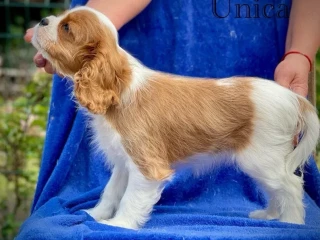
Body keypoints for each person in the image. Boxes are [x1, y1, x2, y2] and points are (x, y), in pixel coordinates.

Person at [18, 0, 320, 239]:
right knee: (129, 161)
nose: (51, 24)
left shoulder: (132, 102)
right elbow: (128, 164)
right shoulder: (126, 96)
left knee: (261, 164)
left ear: (93, 62)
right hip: (252, 94)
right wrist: (105, 208)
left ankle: (291, 216)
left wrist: (126, 219)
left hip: (253, 105)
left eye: (66, 29)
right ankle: (108, 205)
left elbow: (149, 171)